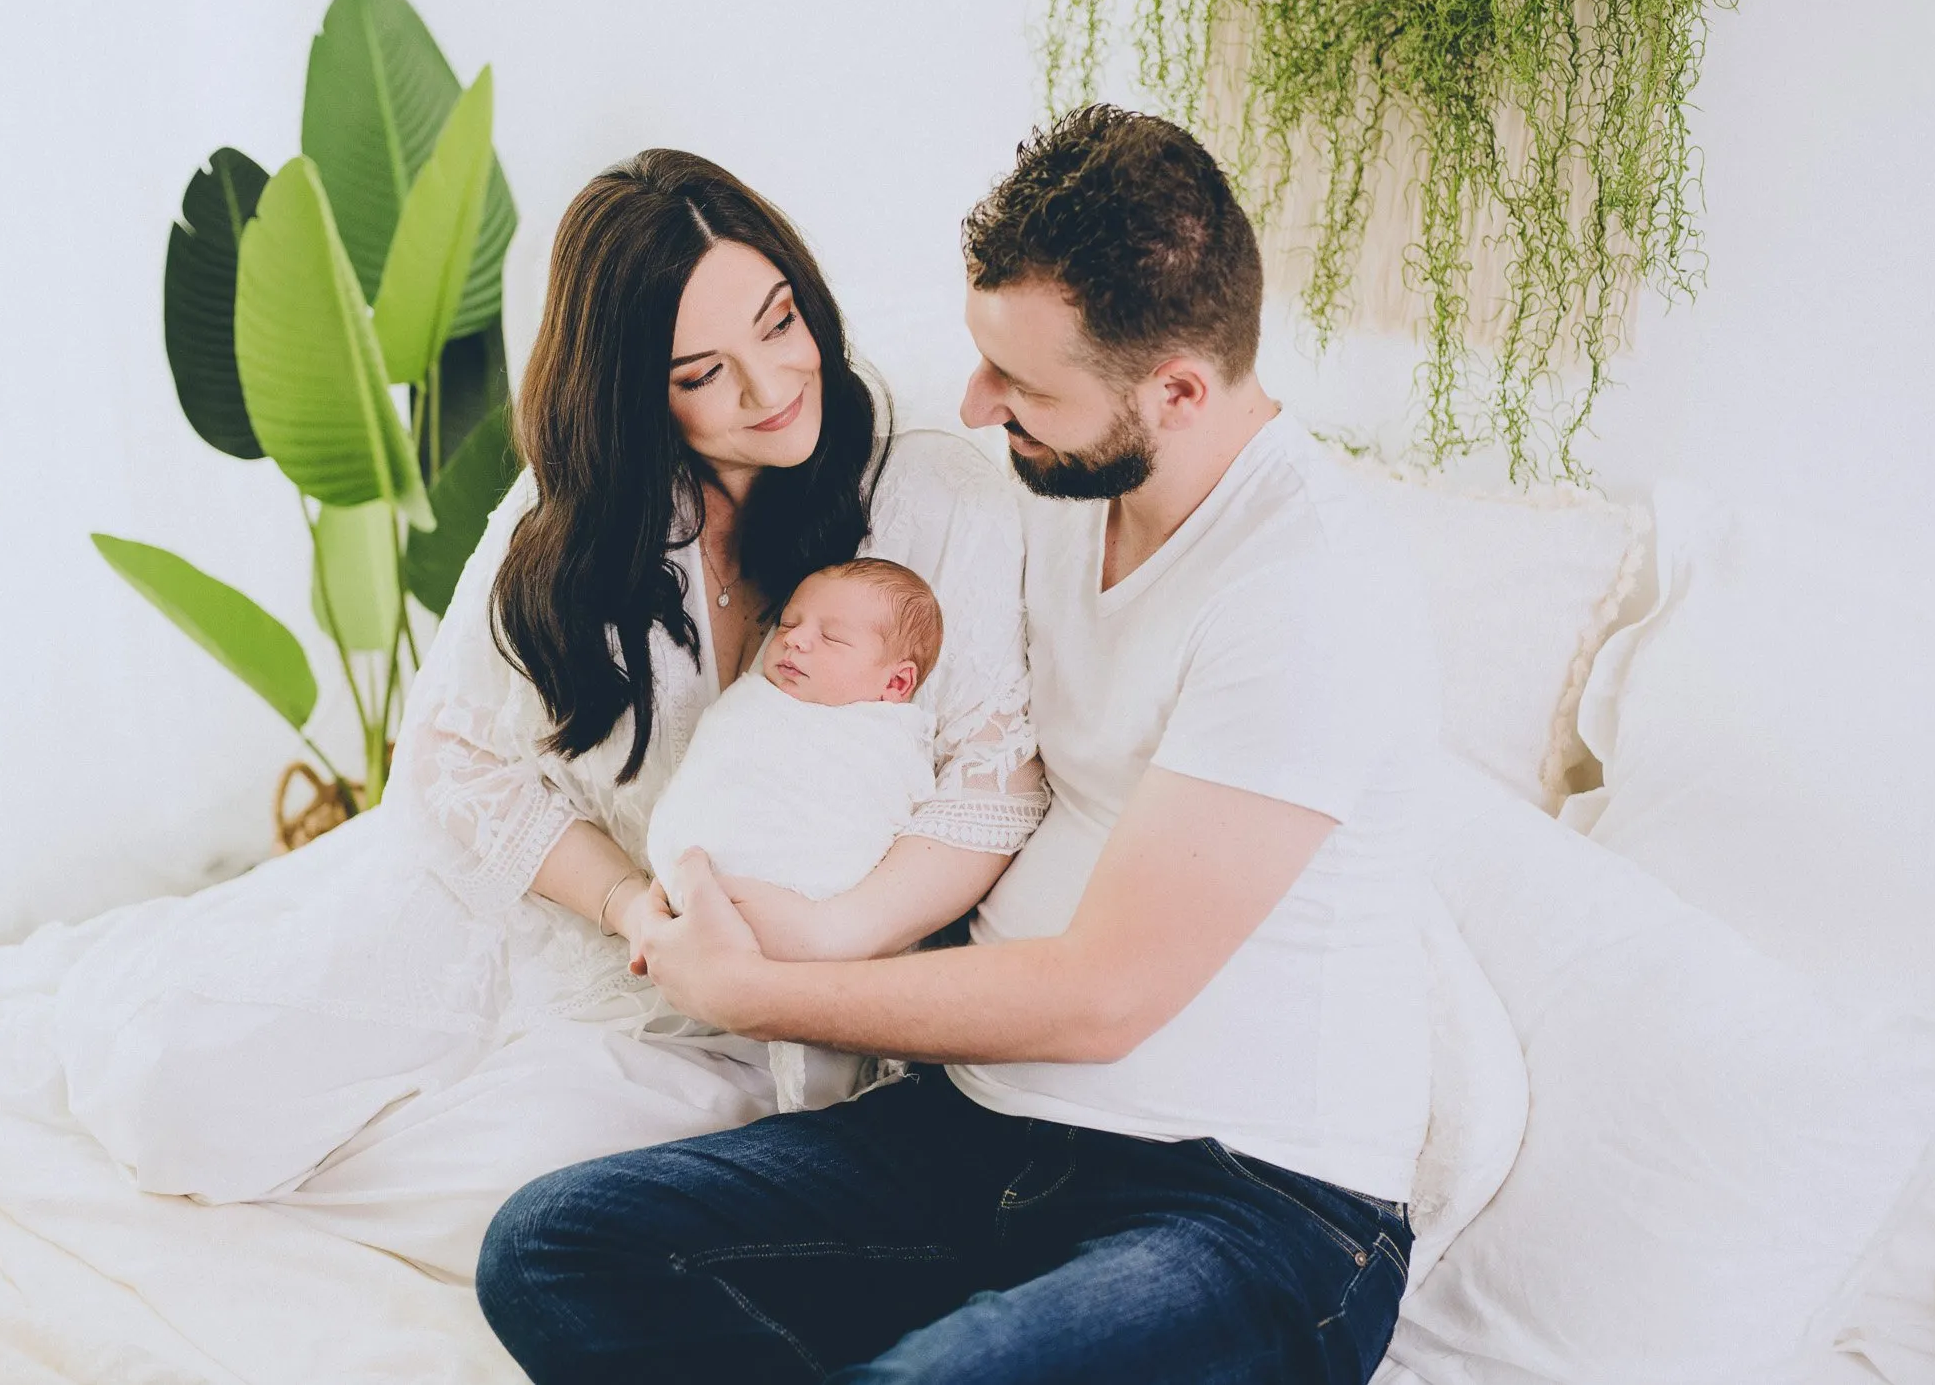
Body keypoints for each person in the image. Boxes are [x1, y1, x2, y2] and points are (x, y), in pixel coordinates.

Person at [478, 105, 1440, 1384]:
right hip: (979, 1137)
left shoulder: (1308, 586)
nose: (980, 406)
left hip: (1242, 1204)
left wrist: (751, 989)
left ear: (1177, 391)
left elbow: (1103, 998)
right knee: (551, 1249)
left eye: (1023, 387)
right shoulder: (1053, 493)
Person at [45, 150, 1048, 1282]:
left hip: (746, 995)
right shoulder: (583, 507)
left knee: (503, 1200)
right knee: (181, 1098)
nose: (771, 387)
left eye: (780, 323)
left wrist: (825, 943)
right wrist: (624, 904)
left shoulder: (931, 494)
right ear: (636, 393)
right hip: (556, 899)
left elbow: (995, 785)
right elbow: (456, 754)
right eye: (703, 372)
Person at [645, 556, 947, 1109]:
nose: (795, 640)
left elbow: (880, 811)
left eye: (831, 638)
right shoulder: (756, 702)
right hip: (682, 912)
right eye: (789, 623)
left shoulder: (883, 740)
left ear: (896, 682)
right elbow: (720, 765)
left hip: (801, 924)